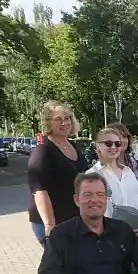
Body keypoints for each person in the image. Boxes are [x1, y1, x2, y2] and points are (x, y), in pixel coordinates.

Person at [27, 101, 88, 246]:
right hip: (53, 222)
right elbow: (39, 190)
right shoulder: (43, 151)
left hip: (74, 218)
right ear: (48, 123)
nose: (64, 123)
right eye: (58, 119)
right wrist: (49, 225)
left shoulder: (72, 145)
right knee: (62, 265)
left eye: (67, 118)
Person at [86, 127, 138, 240]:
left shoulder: (128, 172)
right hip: (107, 236)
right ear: (98, 146)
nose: (114, 147)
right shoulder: (92, 175)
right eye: (108, 143)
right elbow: (90, 208)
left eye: (117, 144)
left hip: (133, 233)